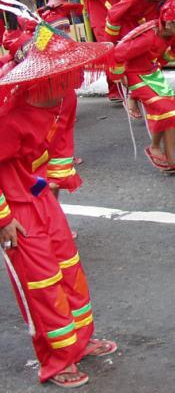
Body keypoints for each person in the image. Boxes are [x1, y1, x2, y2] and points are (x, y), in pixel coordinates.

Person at [0, 22, 117, 389]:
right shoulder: (8, 116)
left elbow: (61, 146)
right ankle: (54, 361)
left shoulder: (66, 97)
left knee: (68, 264)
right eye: (65, 71)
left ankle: (79, 342)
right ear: (42, 77)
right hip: (12, 204)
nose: (76, 77)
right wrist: (3, 219)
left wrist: (53, 189)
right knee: (40, 281)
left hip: (38, 194)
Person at [109, 0, 175, 173]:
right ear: (169, 24)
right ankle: (154, 147)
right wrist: (121, 78)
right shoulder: (147, 38)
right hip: (136, 75)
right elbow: (117, 54)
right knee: (167, 110)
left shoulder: (172, 36)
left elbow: (172, 52)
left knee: (172, 113)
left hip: (153, 73)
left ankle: (170, 161)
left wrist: (158, 64)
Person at [75, 0, 122, 100]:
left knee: (121, 54)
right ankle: (114, 90)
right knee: (109, 56)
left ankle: (125, 87)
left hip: (117, 22)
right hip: (101, 25)